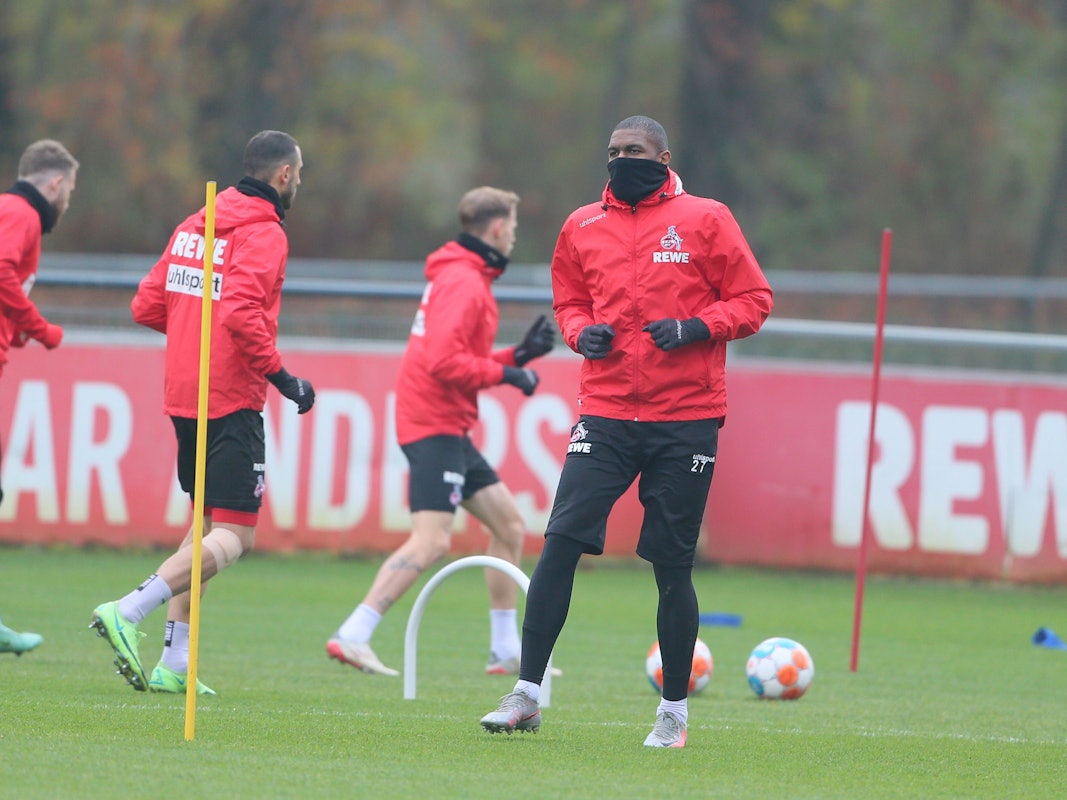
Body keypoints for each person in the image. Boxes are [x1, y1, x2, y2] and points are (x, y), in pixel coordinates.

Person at [479, 115, 773, 747]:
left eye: (633, 151)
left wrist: (697, 327)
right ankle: (526, 695)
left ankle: (673, 713)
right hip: (607, 412)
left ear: (663, 157)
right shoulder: (581, 224)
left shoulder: (707, 218)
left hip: (684, 419)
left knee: (671, 566)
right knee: (559, 542)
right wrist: (580, 332)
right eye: (613, 152)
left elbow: (754, 300)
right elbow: (569, 301)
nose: (621, 160)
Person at [90, 130, 315, 695]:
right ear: (284, 175)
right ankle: (129, 609)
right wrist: (284, 379)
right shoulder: (264, 233)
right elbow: (241, 313)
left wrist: (197, 329)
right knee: (237, 536)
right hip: (231, 396)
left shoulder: (197, 222)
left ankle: (175, 663)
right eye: (300, 173)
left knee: (205, 530)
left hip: (183, 395)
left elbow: (147, 305)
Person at [326, 186, 555, 677]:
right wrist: (509, 375)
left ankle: (503, 650)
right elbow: (445, 362)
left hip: (445, 422)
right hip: (432, 423)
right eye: (512, 227)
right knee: (431, 541)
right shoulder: (465, 283)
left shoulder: (463, 274)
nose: (514, 237)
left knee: (509, 525)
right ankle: (354, 633)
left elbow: (454, 357)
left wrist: (517, 356)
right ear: (496, 229)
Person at [0, 140, 79, 656]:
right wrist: (38, 325)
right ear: (54, 184)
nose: (69, 200)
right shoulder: (22, 212)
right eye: (69, 190)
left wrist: (16, 326)